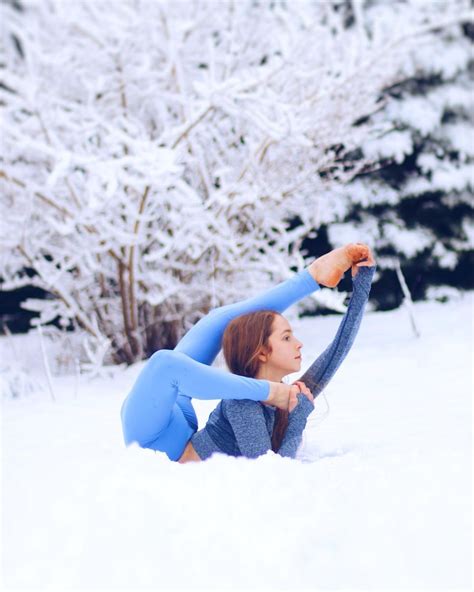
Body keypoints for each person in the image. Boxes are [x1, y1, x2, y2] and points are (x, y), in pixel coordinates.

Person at [120, 244, 375, 463]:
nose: (299, 344)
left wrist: (363, 282)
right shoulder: (244, 402)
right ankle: (311, 277)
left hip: (175, 425)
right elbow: (267, 467)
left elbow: (337, 351)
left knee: (210, 329)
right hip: (153, 438)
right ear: (261, 353)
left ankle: (312, 276)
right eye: (286, 337)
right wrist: (285, 407)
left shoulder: (280, 398)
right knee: (171, 360)